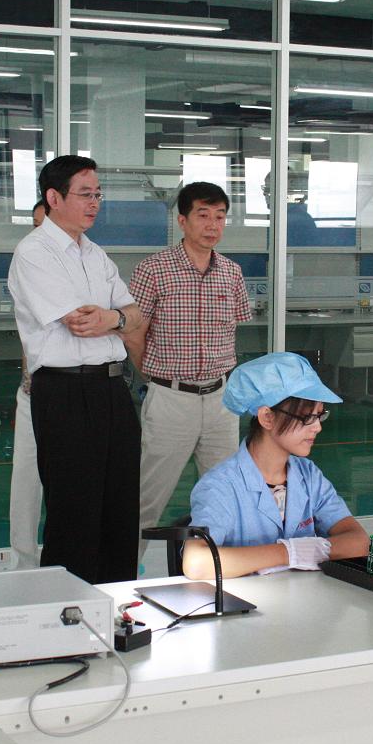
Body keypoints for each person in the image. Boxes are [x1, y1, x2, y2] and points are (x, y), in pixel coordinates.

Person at [9, 155, 144, 583]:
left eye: (98, 194)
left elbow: (135, 316)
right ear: (54, 198)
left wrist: (113, 318)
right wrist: (115, 318)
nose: (95, 203)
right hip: (65, 392)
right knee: (74, 510)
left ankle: (117, 602)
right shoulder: (34, 253)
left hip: (112, 389)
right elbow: (80, 322)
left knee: (120, 507)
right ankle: (69, 608)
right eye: (85, 194)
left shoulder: (95, 254)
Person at [126, 182, 252, 556]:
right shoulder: (153, 269)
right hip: (171, 399)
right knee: (147, 499)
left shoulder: (231, 272)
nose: (212, 225)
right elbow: (133, 334)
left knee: (225, 496)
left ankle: (217, 571)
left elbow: (232, 330)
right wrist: (157, 379)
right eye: (203, 215)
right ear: (182, 220)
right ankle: (125, 577)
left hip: (220, 402)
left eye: (220, 216)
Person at [183, 352, 369, 579]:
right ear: (267, 417)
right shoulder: (221, 485)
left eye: (320, 415)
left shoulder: (309, 475)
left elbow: (358, 541)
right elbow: (196, 562)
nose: (317, 427)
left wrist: (305, 551)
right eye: (307, 417)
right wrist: (291, 552)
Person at [8, 199, 47, 568]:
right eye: (35, 225)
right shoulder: (26, 263)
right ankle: (22, 561)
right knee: (25, 477)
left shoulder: (89, 265)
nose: (39, 232)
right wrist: (27, 383)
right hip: (34, 392)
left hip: (72, 392)